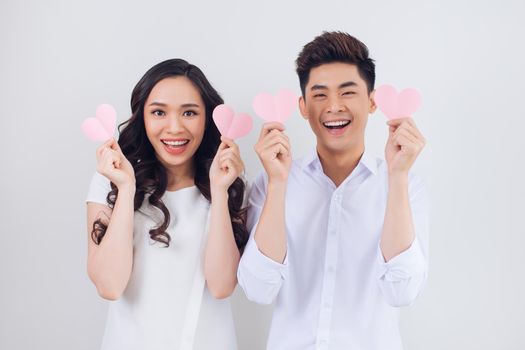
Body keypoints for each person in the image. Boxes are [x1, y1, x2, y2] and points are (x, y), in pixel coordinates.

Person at [238, 31, 429, 350]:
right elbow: (259, 290)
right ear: (302, 106)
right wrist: (278, 183)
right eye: (320, 94)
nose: (334, 106)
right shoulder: (271, 182)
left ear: (371, 102)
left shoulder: (408, 187)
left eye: (347, 92)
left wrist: (397, 178)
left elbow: (402, 292)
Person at [85, 59, 248, 350]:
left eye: (189, 112)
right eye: (159, 112)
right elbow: (109, 286)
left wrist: (220, 192)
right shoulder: (109, 184)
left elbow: (222, 286)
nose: (174, 128)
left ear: (208, 119)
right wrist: (126, 188)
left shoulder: (228, 185)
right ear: (142, 118)